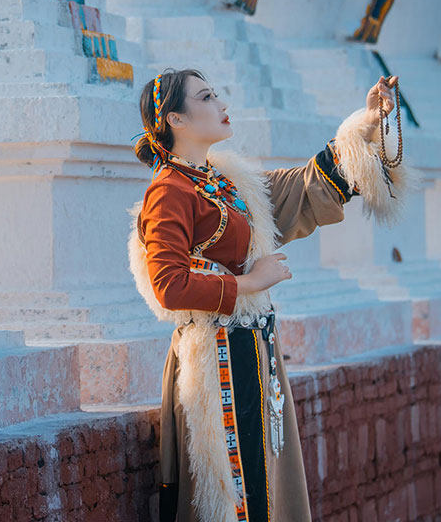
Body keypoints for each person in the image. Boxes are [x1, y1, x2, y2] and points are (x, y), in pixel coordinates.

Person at [128, 67, 415, 522]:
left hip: (253, 352)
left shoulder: (227, 183)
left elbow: (296, 190)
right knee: (234, 496)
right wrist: (247, 284)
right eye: (206, 98)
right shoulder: (169, 192)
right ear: (175, 120)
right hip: (214, 360)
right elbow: (168, 284)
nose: (222, 105)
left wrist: (368, 123)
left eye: (217, 94)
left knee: (266, 484)